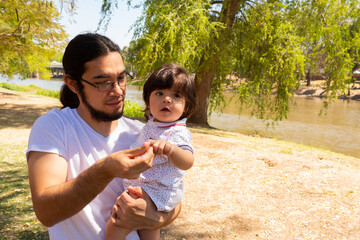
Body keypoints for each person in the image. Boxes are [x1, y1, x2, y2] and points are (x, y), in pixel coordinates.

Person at [26, 33, 181, 240]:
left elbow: (175, 198)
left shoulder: (141, 132)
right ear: (73, 84)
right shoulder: (54, 127)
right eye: (103, 82)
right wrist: (105, 170)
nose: (117, 91)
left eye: (121, 78)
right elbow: (46, 212)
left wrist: (155, 218)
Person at [109, 63, 196, 239]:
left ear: (186, 106)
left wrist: (171, 150)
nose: (167, 99)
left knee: (116, 224)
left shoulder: (178, 132)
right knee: (148, 230)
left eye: (176, 95)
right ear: (148, 101)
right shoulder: (151, 125)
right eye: (159, 93)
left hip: (158, 190)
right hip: (145, 188)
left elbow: (188, 161)